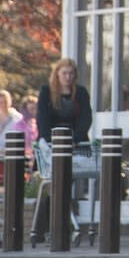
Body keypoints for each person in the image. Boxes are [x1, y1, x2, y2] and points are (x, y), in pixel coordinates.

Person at [34, 58, 93, 240]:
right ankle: (51, 228)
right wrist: (53, 141)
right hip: (52, 146)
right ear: (57, 74)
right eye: (64, 73)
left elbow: (85, 118)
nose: (68, 77)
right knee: (54, 185)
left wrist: (74, 140)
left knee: (66, 185)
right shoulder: (47, 92)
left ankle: (59, 228)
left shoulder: (80, 93)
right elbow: (42, 119)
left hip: (75, 146)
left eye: (71, 73)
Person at [0, 90, 23, 154]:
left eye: (5, 101)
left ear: (10, 102)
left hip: (12, 154)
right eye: (0, 102)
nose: (3, 104)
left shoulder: (17, 118)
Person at [12, 95, 39, 169]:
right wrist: (28, 127)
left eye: (36, 108)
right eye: (31, 109)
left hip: (37, 158)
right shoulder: (18, 125)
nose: (34, 111)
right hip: (22, 160)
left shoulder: (40, 123)